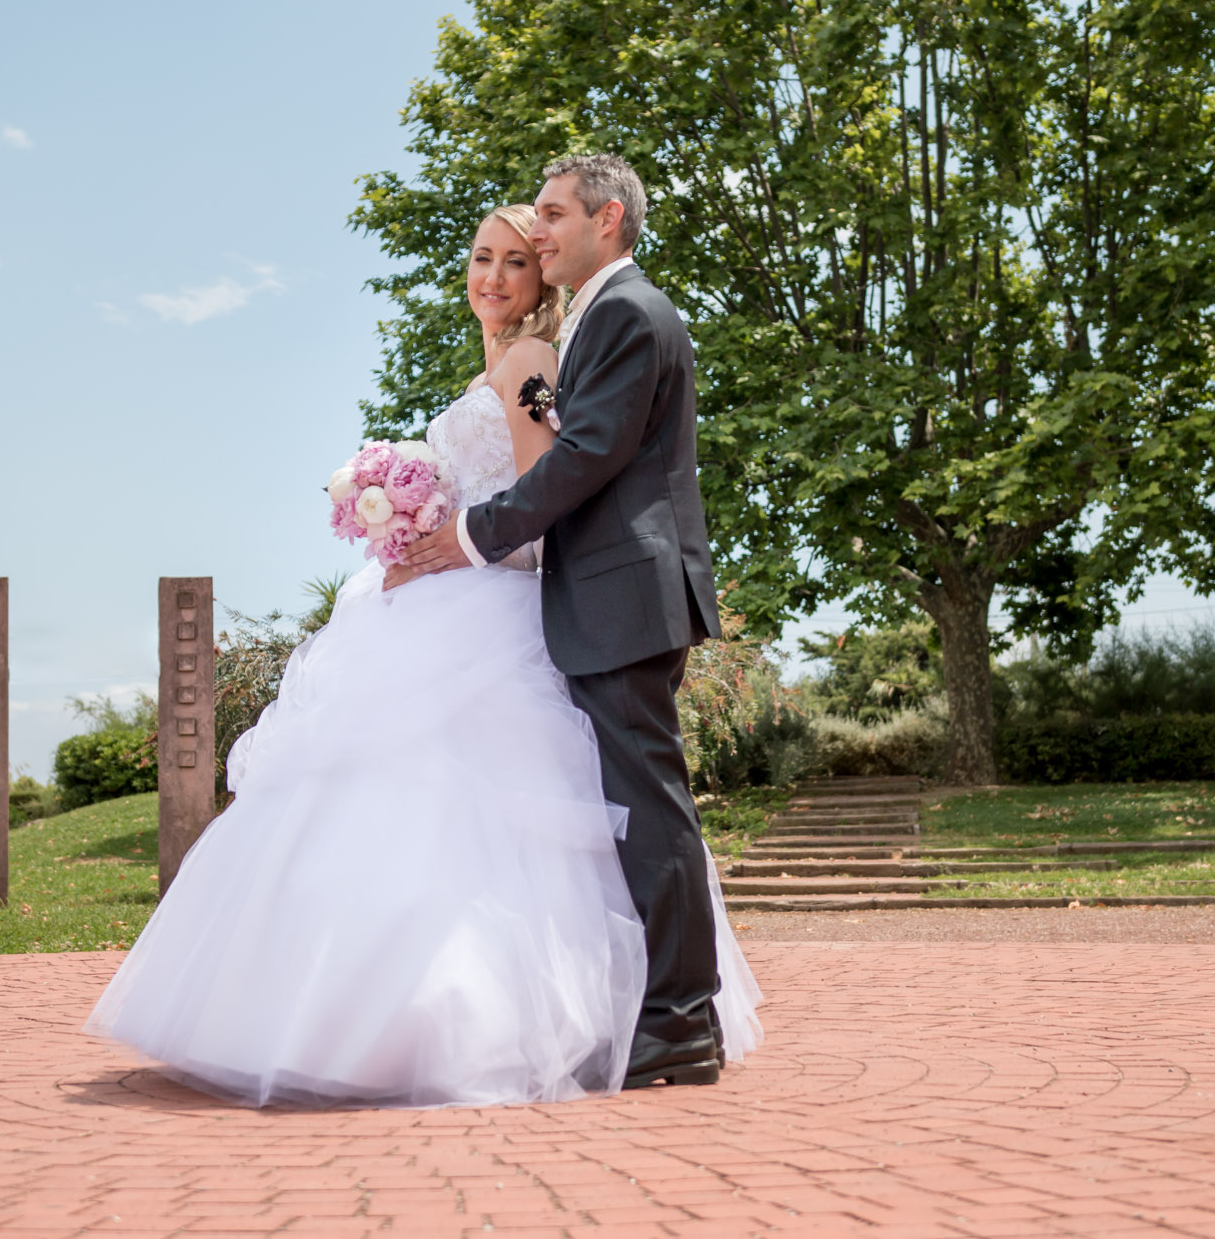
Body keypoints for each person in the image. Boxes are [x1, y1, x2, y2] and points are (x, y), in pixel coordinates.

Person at [81, 200, 760, 1109]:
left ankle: (583, 1017)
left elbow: (544, 510)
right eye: (481, 258)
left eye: (515, 262)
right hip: (446, 591)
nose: (492, 277)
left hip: (494, 607)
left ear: (541, 279)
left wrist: (446, 542)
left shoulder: (530, 365)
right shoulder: (496, 363)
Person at [397, 154, 730, 1090]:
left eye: (550, 216)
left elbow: (582, 456)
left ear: (607, 219)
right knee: (634, 810)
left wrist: (471, 533)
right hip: (609, 596)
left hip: (625, 594)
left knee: (652, 810)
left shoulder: (625, 313)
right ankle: (668, 1014)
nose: (536, 236)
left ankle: (679, 1022)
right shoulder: (599, 316)